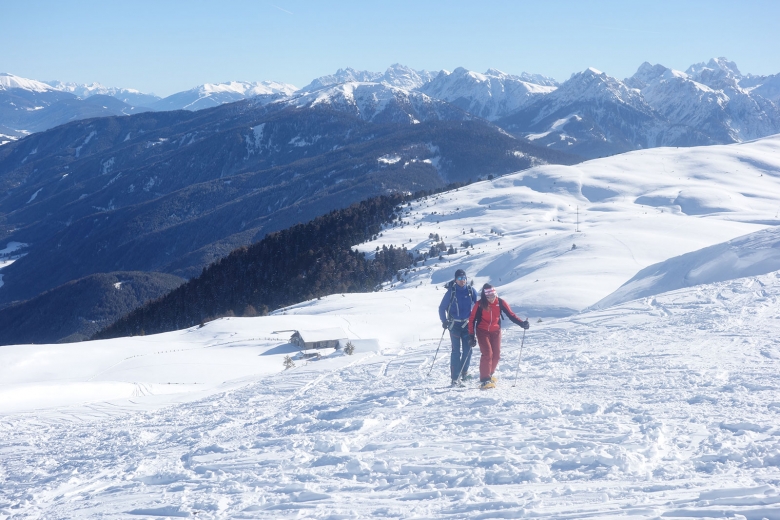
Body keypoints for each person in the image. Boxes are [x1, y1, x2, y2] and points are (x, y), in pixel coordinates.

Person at [468, 284, 529, 390]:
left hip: (496, 331)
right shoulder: (479, 305)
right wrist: (471, 336)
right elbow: (472, 320)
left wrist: (522, 323)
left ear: (495, 294)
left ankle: (489, 374)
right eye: (488, 297)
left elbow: (511, 315)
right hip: (482, 331)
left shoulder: (500, 302)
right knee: (487, 353)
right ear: (484, 296)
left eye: (493, 295)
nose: (491, 298)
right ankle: (484, 379)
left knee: (496, 355)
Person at [438, 269, 478, 386]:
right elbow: (442, 308)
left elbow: (477, 306)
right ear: (455, 280)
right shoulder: (451, 292)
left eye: (464, 278)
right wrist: (444, 321)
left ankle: (464, 373)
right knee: (456, 352)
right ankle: (455, 378)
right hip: (454, 325)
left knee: (468, 350)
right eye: (460, 279)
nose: (462, 281)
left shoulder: (471, 291)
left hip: (468, 325)